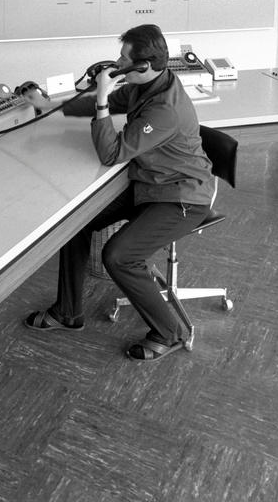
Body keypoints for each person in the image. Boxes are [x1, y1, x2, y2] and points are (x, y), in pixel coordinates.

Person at [22, 24, 217, 360]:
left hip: (182, 197)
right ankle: (68, 311)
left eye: (123, 59)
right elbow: (113, 102)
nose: (116, 63)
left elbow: (111, 154)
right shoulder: (147, 84)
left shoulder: (164, 109)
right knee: (75, 222)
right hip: (150, 184)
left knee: (119, 256)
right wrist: (47, 104)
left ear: (142, 66)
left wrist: (99, 100)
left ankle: (169, 333)